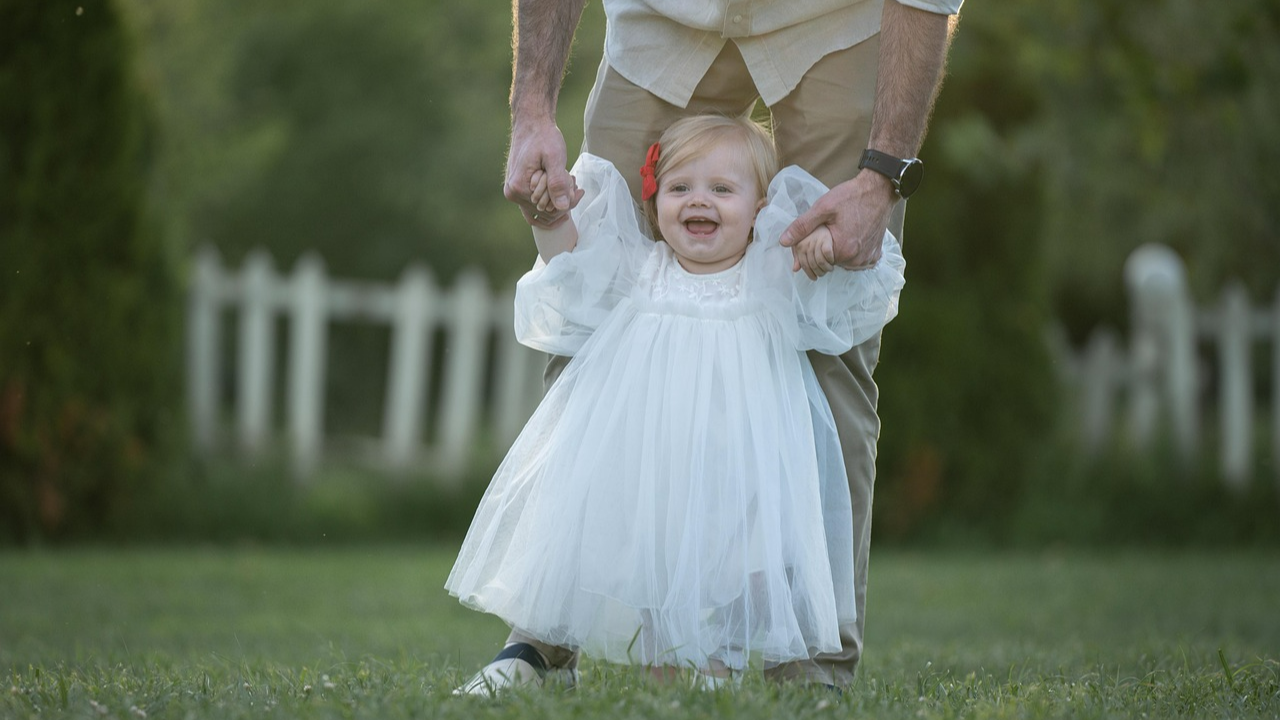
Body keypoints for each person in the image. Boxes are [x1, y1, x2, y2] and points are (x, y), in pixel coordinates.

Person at [460, 0, 963, 692]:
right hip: (662, 20)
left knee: (831, 340)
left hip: (836, 21)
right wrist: (532, 112)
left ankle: (814, 665)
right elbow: (578, 262)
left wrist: (879, 177)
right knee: (593, 314)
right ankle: (544, 642)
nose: (698, 201)